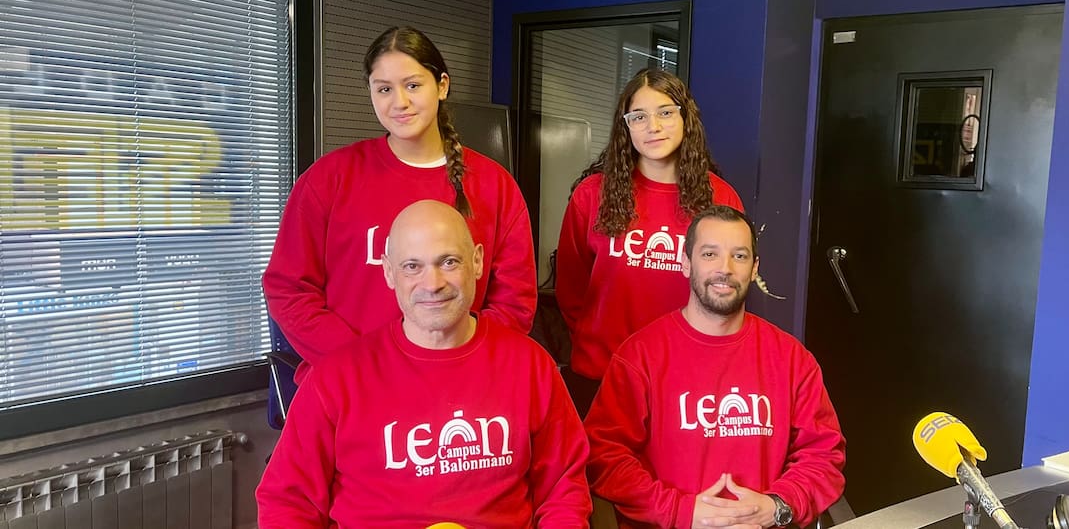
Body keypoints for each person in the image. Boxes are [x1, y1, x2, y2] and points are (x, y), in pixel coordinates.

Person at [257, 200, 591, 528]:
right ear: (389, 272)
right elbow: (287, 502)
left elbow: (564, 490)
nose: (432, 284)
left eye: (448, 262)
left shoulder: (531, 367)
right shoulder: (335, 379)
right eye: (412, 267)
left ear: (477, 261)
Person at [263, 26, 535, 383]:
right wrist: (363, 363)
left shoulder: (494, 185)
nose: (399, 102)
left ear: (442, 86)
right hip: (351, 384)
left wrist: (460, 359)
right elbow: (289, 289)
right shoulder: (329, 178)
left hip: (458, 385)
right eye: (384, 89)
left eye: (413, 85)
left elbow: (514, 302)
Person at [585, 205, 845, 529]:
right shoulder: (639, 357)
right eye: (709, 254)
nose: (725, 268)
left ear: (754, 269)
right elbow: (603, 457)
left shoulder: (792, 359)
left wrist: (777, 505)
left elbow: (824, 456)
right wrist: (681, 511)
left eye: (739, 256)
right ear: (685, 263)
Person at [555, 68, 743, 412]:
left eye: (666, 113)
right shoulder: (592, 195)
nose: (652, 126)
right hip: (602, 377)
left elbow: (729, 288)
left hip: (687, 379)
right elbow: (571, 289)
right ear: (625, 127)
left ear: (686, 119)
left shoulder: (720, 198)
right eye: (638, 116)